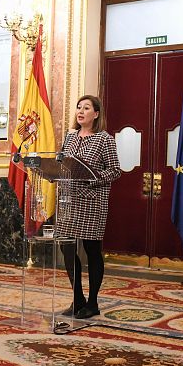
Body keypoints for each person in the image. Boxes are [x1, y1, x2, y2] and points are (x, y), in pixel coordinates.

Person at [55, 95, 122, 319]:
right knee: (66, 247)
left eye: (86, 108)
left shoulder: (105, 140)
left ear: (96, 114)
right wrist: (54, 172)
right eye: (78, 107)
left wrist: (90, 178)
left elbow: (114, 171)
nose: (80, 111)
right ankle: (78, 298)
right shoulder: (70, 137)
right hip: (68, 201)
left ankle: (92, 302)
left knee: (92, 250)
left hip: (92, 202)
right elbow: (61, 163)